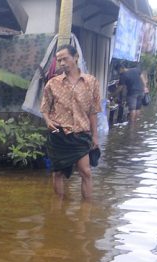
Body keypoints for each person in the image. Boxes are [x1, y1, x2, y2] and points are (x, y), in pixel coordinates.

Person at [40, 44, 101, 200]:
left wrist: (95, 136)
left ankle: (86, 210)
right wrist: (47, 121)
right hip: (58, 134)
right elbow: (44, 108)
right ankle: (57, 208)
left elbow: (93, 111)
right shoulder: (52, 84)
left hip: (81, 134)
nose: (61, 63)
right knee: (58, 172)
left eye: (65, 59)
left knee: (85, 171)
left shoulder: (91, 82)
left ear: (75, 57)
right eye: (59, 60)